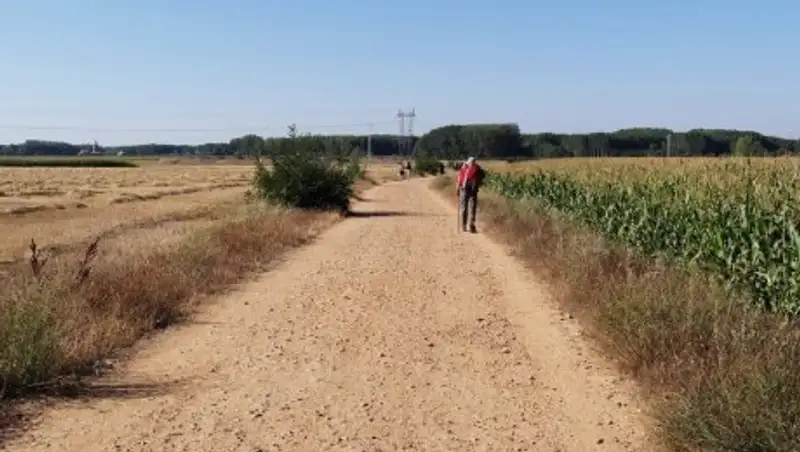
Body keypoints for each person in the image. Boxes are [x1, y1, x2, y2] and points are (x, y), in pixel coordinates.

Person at [456, 156, 486, 233]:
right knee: (472, 208)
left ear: (468, 162)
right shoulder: (477, 169)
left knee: (464, 207)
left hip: (464, 190)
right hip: (473, 191)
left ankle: (464, 225)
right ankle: (471, 225)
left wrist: (458, 189)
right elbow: (483, 177)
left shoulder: (464, 168)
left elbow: (459, 179)